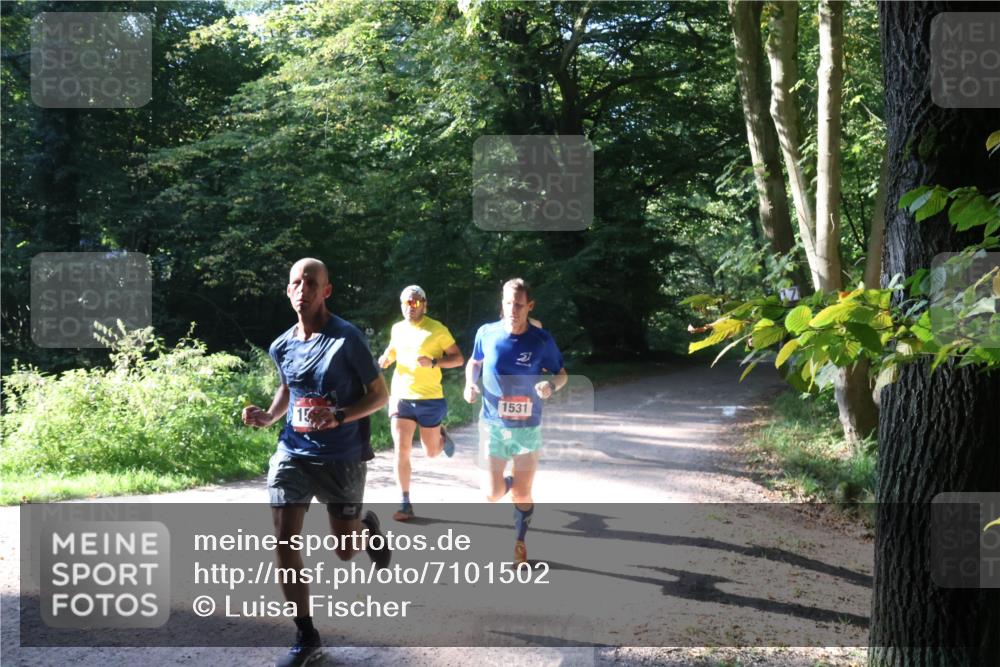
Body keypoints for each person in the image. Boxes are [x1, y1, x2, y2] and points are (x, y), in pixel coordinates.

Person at [242, 258, 390, 667]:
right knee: (284, 539)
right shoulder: (281, 344)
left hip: (342, 456)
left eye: (311, 282)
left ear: (326, 291)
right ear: (288, 291)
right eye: (295, 283)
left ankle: (366, 528)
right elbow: (289, 387)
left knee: (345, 550)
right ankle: (306, 635)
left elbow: (380, 395)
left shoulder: (347, 340)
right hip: (293, 452)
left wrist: (340, 415)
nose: (302, 289)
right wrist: (269, 416)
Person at [464, 278, 567, 564]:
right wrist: (469, 384)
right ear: (502, 303)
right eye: (508, 303)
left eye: (519, 305)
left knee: (522, 493)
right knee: (492, 493)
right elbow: (475, 361)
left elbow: (561, 372)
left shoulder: (541, 340)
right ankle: (508, 481)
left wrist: (551, 386)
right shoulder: (486, 333)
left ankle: (519, 542)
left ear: (529, 306)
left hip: (527, 428)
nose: (512, 309)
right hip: (493, 425)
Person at [378, 285, 464, 521]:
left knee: (431, 452)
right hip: (401, 396)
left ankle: (441, 438)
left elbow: (458, 359)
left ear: (424, 305)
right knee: (401, 449)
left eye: (415, 302)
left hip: (430, 398)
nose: (410, 307)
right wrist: (386, 359)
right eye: (406, 302)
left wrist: (434, 362)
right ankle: (405, 502)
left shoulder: (437, 330)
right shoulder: (397, 328)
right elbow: (393, 350)